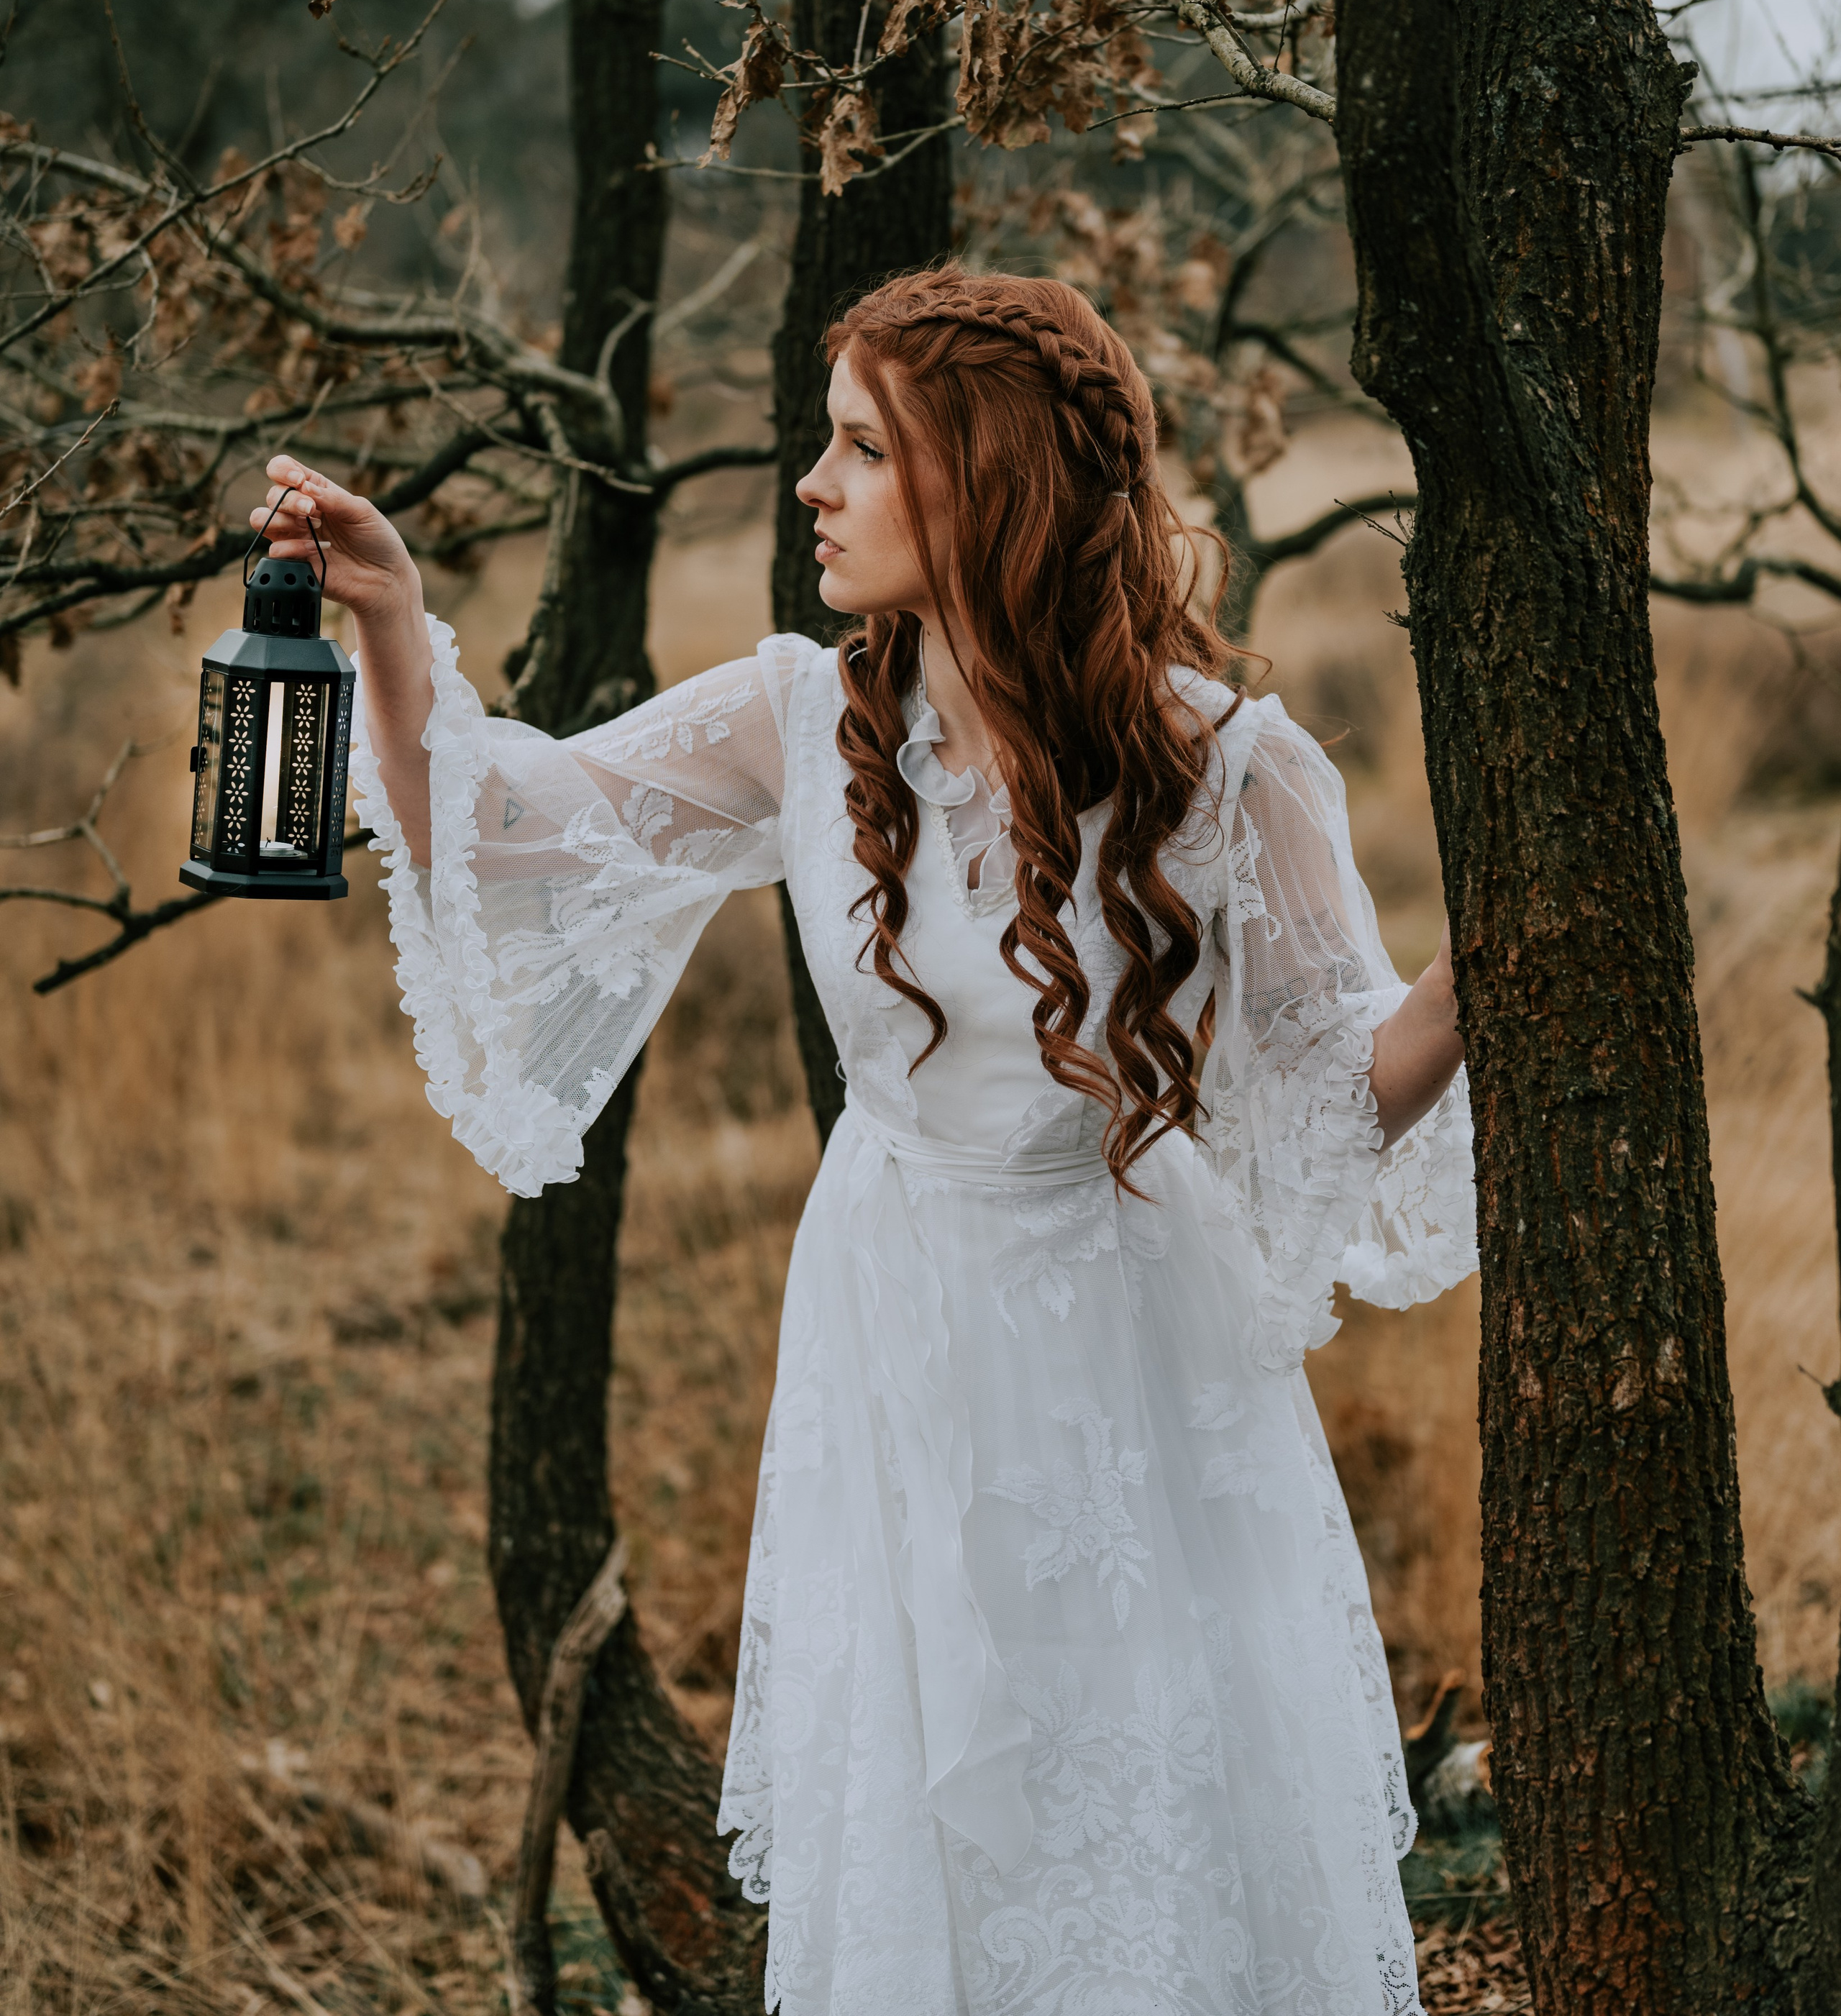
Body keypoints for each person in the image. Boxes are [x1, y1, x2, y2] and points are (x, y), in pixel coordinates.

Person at [254, 266, 1472, 2016]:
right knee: (926, 1811)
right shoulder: (796, 719)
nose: (812, 489)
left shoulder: (1231, 766)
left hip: (1126, 1336)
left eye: (856, 450)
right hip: (892, 1316)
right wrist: (389, 618)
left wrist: (1495, 958)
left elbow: (1333, 1093)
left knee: (1140, 1797)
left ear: (984, 480)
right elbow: (502, 825)